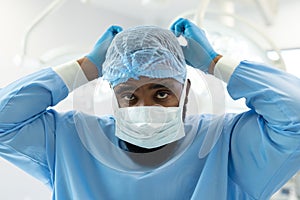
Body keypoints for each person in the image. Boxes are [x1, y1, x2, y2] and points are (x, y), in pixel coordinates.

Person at [0, 17, 300, 200]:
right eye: (129, 96)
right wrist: (86, 68)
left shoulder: (227, 145)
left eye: (161, 94)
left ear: (186, 93)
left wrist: (215, 63)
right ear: (113, 98)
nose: (144, 109)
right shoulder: (72, 142)